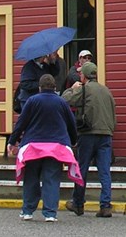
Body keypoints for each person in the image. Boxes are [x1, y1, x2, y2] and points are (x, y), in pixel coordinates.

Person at [7, 74, 81, 222]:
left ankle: (28, 210)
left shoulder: (32, 101)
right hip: (56, 146)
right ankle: (50, 213)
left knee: (31, 178)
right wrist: (73, 141)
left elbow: (21, 122)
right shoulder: (61, 102)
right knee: (51, 179)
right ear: (55, 88)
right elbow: (71, 124)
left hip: (33, 146)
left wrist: (12, 141)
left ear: (40, 88)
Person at [61, 61, 117, 217]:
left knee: (82, 169)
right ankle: (105, 205)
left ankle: (78, 203)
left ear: (83, 75)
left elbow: (64, 100)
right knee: (104, 171)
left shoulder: (84, 90)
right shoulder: (106, 91)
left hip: (88, 133)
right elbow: (113, 113)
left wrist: (71, 89)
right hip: (106, 134)